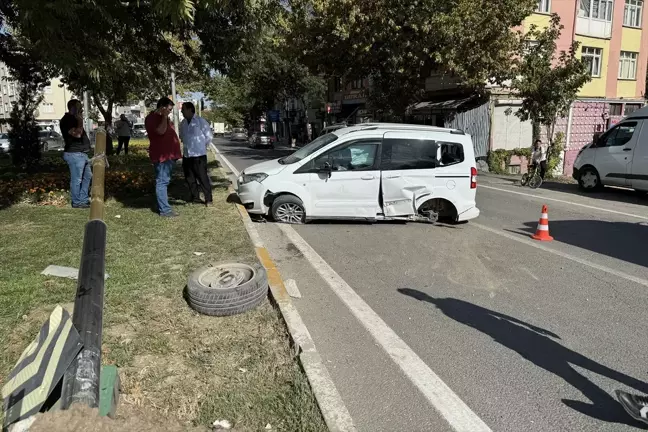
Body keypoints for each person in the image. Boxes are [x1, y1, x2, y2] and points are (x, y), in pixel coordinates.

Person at [145, 97, 182, 217]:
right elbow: (160, 131)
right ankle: (165, 210)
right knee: (162, 181)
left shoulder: (162, 118)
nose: (170, 112)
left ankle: (162, 205)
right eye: (169, 110)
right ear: (163, 108)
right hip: (162, 156)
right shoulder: (152, 118)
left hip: (169, 155)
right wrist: (165, 117)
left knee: (163, 181)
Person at [179, 102, 213, 205]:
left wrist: (201, 147)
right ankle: (195, 197)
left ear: (190, 110)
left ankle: (208, 199)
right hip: (187, 155)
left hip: (199, 156)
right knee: (190, 178)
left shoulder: (200, 121)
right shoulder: (183, 123)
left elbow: (209, 137)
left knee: (202, 178)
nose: (182, 111)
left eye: (183, 109)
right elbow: (182, 137)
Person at [60, 99, 92, 209]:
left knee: (87, 176)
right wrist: (80, 121)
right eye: (79, 107)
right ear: (72, 108)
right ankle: (76, 202)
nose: (81, 109)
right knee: (77, 179)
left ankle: (83, 200)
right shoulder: (67, 120)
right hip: (74, 154)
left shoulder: (74, 119)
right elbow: (77, 135)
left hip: (82, 154)